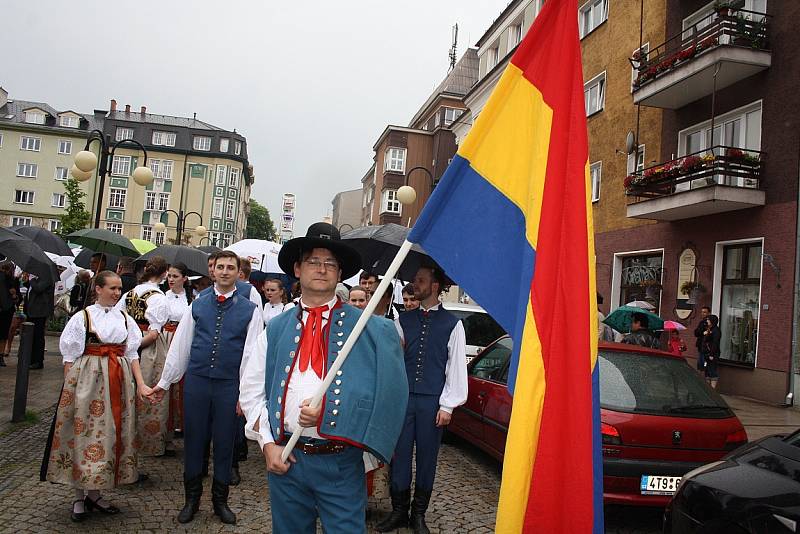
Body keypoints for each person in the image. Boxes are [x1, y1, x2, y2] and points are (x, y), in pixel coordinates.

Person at [239, 222, 408, 534]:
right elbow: (251, 393)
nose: (322, 269)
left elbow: (390, 395)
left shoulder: (372, 330)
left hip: (341, 462)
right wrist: (267, 445)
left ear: (340, 273)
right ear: (297, 269)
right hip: (286, 458)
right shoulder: (275, 328)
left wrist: (335, 412)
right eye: (313, 261)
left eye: (330, 263)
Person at [149, 251, 262, 525]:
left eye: (230, 267)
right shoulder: (197, 304)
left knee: (225, 442)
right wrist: (165, 382)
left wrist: (246, 396)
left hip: (228, 385)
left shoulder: (251, 310)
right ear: (214, 271)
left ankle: (220, 501)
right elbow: (181, 346)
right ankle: (191, 499)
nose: (224, 271)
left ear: (238, 273)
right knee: (194, 440)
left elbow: (252, 355)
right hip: (198, 381)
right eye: (220, 267)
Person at [43, 270, 150, 521]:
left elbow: (132, 354)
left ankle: (95, 493)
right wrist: (70, 392)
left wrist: (141, 384)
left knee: (109, 436)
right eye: (111, 288)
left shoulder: (125, 319)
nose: (116, 293)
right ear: (98, 289)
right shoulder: (83, 318)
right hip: (88, 381)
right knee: (84, 434)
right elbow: (69, 358)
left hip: (118, 380)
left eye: (119, 288)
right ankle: (79, 496)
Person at [378, 265, 467, 534]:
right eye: (415, 280)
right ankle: (398, 511)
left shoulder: (453, 324)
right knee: (399, 456)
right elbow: (391, 362)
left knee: (427, 458)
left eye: (420, 280)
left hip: (432, 402)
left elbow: (455, 368)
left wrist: (448, 405)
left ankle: (418, 514)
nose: (415, 284)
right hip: (403, 399)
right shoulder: (402, 320)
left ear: (435, 285)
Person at [117, 257, 170, 458]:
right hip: (148, 350)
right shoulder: (159, 298)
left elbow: (120, 319)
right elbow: (154, 334)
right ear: (164, 273)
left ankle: (126, 439)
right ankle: (148, 444)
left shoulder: (129, 293)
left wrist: (126, 346)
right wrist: (134, 346)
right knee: (149, 393)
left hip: (127, 343)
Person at [163, 262, 193, 451]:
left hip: (182, 339)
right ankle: (164, 428)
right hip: (165, 338)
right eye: (169, 276)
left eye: (175, 276)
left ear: (184, 278)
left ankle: (181, 423)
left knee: (182, 383)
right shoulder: (161, 297)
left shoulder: (190, 299)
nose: (171, 280)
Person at [25, 273, 54, 370]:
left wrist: (32, 280)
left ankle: (37, 361)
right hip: (32, 311)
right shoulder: (37, 278)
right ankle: (31, 358)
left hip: (40, 311)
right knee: (31, 336)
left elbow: (38, 288)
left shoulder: (47, 276)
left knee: (38, 337)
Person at [0, 262, 18, 366]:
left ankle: (1, 356)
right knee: (3, 334)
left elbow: (17, 299)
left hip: (7, 310)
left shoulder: (13, 281)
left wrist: (14, 295)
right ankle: (1, 356)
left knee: (3, 333)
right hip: (6, 309)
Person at [702, 314, 722, 389]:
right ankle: (708, 388)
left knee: (712, 370)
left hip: (712, 354)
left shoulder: (716, 330)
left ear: (712, 321)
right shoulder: (709, 329)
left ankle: (712, 389)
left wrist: (711, 354)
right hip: (706, 353)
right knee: (707, 370)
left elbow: (715, 343)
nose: (707, 321)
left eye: (708, 320)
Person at [693, 306, 711, 371]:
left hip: (706, 348)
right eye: (702, 312)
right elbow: (696, 333)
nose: (702, 314)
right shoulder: (701, 322)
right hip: (701, 346)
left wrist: (700, 332)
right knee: (700, 364)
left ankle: (704, 375)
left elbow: (699, 332)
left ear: (709, 313)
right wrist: (701, 332)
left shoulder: (709, 323)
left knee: (705, 364)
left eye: (705, 312)